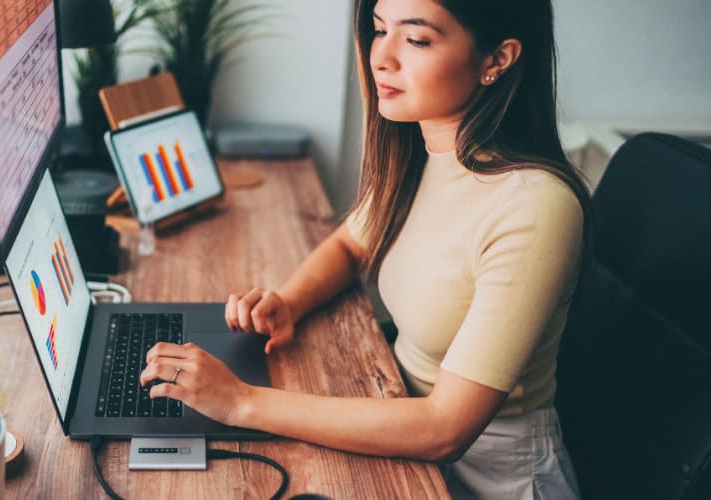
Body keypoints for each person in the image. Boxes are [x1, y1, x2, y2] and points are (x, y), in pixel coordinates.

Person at [139, 0, 591, 497]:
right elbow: (352, 244)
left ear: (497, 59)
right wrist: (289, 301)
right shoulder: (425, 151)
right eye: (379, 30)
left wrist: (241, 402)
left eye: (416, 39)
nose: (381, 57)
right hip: (400, 421)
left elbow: (446, 428)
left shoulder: (534, 206)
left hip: (489, 477)